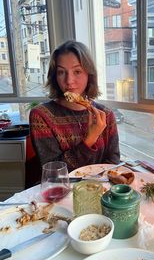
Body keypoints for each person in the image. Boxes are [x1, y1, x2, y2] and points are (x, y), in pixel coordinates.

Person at [29, 40, 120, 172]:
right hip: (62, 191)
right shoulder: (41, 116)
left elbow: (112, 163)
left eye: (77, 71)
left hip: (100, 189)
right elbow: (53, 171)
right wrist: (89, 140)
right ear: (55, 77)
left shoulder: (106, 115)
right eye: (61, 72)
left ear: (89, 74)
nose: (69, 81)